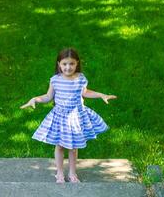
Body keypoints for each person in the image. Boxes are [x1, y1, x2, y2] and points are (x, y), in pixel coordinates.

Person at [20, 48, 117, 183]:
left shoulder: (81, 78)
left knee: (73, 146)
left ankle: (72, 173)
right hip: (60, 117)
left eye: (71, 64)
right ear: (59, 64)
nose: (68, 67)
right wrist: (35, 99)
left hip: (76, 116)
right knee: (59, 145)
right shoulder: (55, 80)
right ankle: (59, 173)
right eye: (64, 64)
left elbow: (85, 93)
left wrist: (101, 95)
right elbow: (48, 97)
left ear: (77, 63)